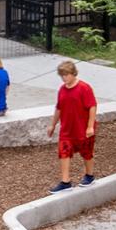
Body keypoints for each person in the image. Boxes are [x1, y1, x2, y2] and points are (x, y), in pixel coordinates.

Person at [48, 60, 97, 193]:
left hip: (82, 128)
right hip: (67, 130)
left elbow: (92, 106)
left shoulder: (84, 88)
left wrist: (90, 126)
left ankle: (90, 175)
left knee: (86, 153)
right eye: (62, 75)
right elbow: (59, 108)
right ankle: (65, 182)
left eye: (67, 75)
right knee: (64, 152)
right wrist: (52, 124)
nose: (64, 78)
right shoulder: (62, 90)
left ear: (73, 73)